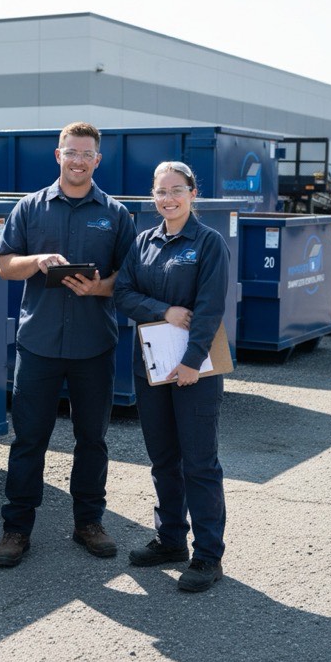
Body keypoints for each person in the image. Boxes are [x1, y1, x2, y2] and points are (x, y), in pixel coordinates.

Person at [0, 121, 136, 568]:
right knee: (29, 439)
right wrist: (36, 261)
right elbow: (4, 267)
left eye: (86, 154)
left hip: (94, 346)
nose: (78, 160)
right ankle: (16, 529)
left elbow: (128, 280)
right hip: (38, 344)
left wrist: (97, 289)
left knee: (92, 439)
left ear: (98, 160)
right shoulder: (30, 208)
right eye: (70, 152)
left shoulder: (116, 215)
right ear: (58, 155)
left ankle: (88, 523)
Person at [114, 161, 229, 592]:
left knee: (199, 463)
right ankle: (170, 540)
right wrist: (163, 311)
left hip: (194, 369)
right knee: (163, 459)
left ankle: (207, 555)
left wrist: (192, 361)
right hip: (151, 367)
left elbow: (211, 306)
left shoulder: (209, 243)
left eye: (176, 190)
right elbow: (123, 292)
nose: (168, 199)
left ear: (193, 193)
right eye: (160, 192)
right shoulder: (142, 243)